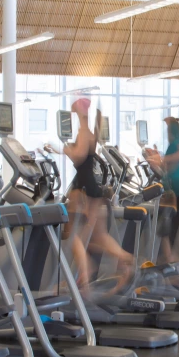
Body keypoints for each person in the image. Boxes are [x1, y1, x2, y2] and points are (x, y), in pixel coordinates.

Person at [48, 99, 133, 290]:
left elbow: (79, 155)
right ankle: (127, 259)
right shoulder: (89, 132)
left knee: (73, 236)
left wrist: (63, 149)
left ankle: (85, 276)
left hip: (82, 190)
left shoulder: (83, 131)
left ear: (80, 112)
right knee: (99, 237)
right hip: (93, 188)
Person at [147, 117, 179, 259]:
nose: (167, 133)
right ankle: (169, 258)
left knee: (168, 225)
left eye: (168, 130)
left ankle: (169, 259)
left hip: (176, 189)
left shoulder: (176, 144)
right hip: (178, 187)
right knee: (172, 225)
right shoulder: (177, 143)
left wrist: (160, 160)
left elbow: (175, 159)